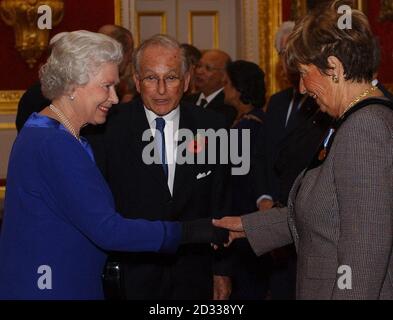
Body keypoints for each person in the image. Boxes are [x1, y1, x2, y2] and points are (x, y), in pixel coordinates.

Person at [0, 31, 226, 300]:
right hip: (53, 286)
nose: (115, 98)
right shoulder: (53, 143)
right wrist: (192, 231)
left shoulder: (55, 134)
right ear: (74, 85)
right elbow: (109, 229)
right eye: (106, 86)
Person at [214, 0, 393, 300]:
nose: (300, 89)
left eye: (303, 73)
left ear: (333, 68)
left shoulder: (365, 128)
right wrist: (249, 226)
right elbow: (330, 213)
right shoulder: (348, 120)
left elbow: (364, 252)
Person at [90, 34, 232, 300]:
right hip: (131, 275)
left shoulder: (213, 126)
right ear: (136, 81)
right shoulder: (109, 129)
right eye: (151, 78)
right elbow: (99, 208)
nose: (162, 90)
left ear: (187, 81)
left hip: (195, 274)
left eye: (171, 77)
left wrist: (221, 269)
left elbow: (221, 202)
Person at [223, 60, 271, 300]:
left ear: (239, 90)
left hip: (244, 213)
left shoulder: (247, 127)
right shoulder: (248, 121)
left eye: (227, 84)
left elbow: (240, 176)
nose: (225, 89)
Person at [190, 49, 237, 128]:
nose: (199, 71)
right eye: (199, 66)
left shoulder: (229, 106)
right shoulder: (185, 101)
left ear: (224, 75)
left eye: (208, 68)